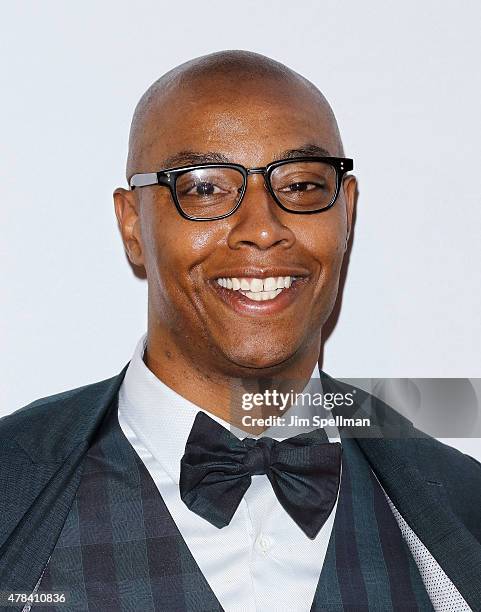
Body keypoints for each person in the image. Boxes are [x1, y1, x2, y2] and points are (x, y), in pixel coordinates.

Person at [1, 50, 480, 612]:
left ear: (346, 211)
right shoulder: (12, 490)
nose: (262, 229)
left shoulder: (461, 510)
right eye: (205, 188)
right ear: (132, 224)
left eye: (301, 186)